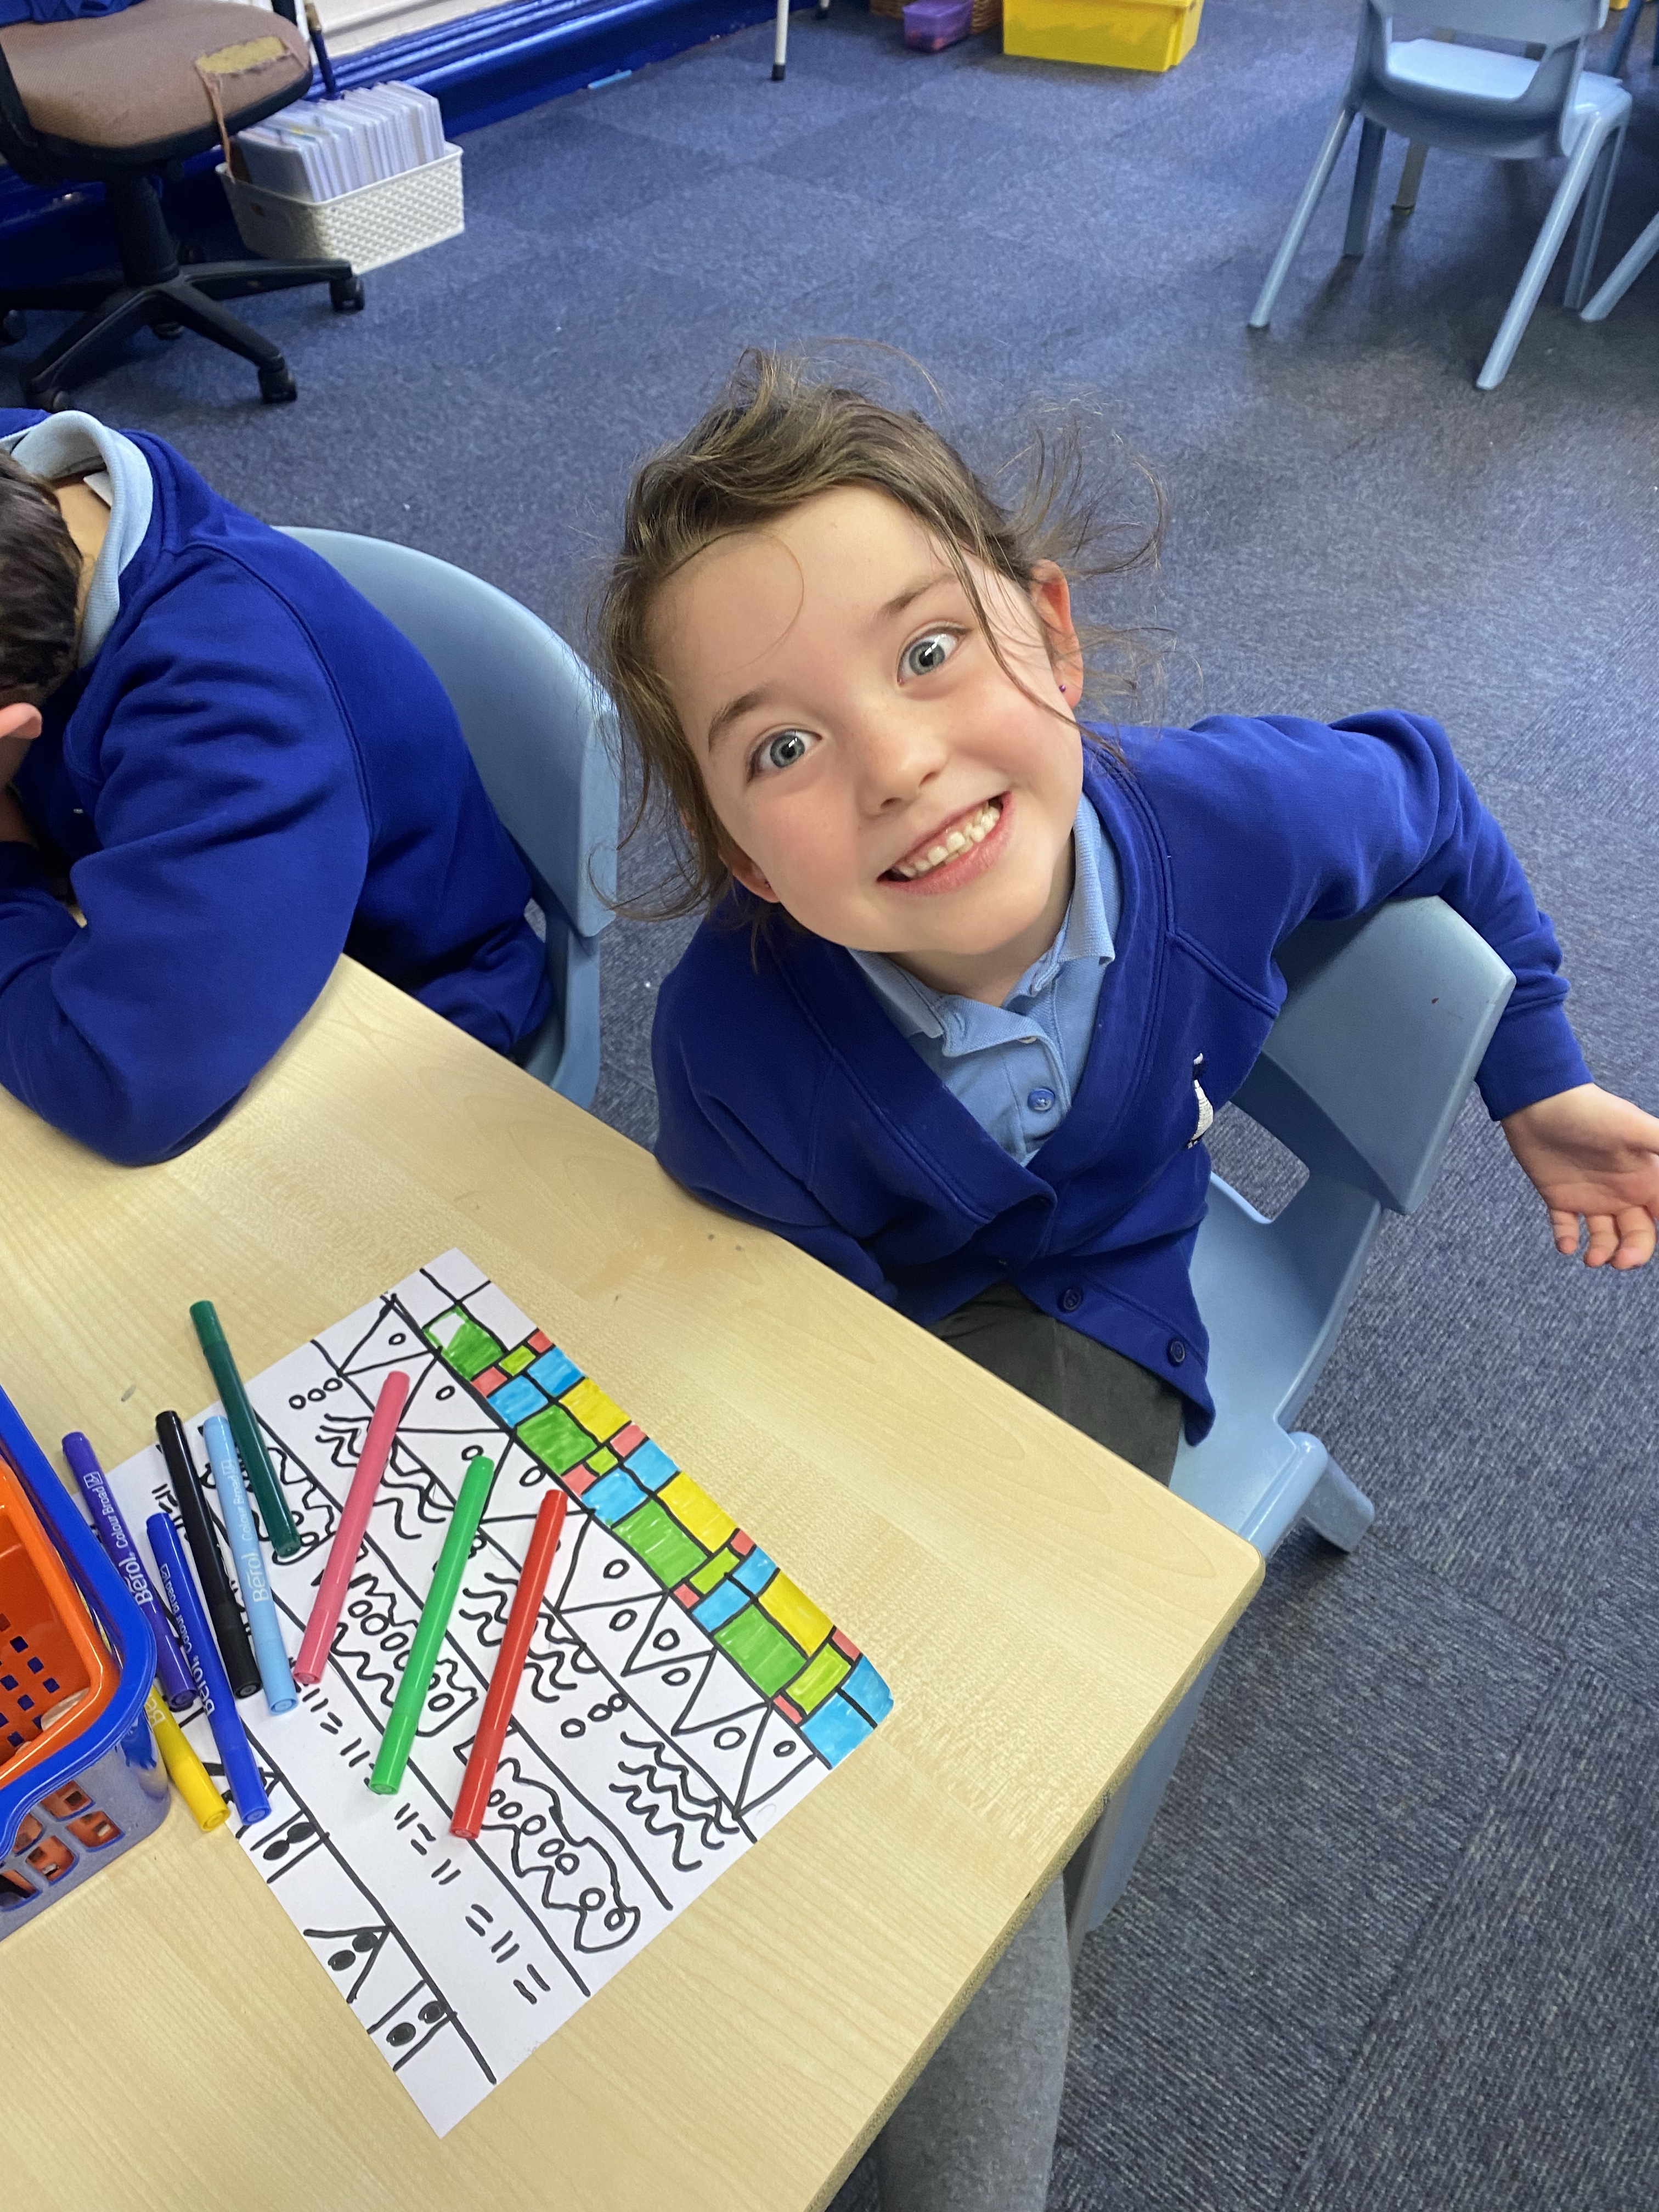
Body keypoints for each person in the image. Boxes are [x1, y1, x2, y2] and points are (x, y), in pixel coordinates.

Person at [592, 352, 1659, 2212]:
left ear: (1055, 636)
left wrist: (1536, 1069)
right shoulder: (732, 1047)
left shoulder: (1229, 815)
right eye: (781, 748)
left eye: (929, 651)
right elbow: (786, 1341)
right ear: (738, 857)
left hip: (1097, 1301)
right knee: (767, 1679)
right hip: (857, 1355)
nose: (895, 761)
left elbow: (1426, 791)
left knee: (978, 1772)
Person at [0, 409, 549, 1164]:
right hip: (188, 915)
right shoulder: (31, 481)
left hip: (402, 1005)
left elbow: (119, 1083)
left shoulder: (231, 715)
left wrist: (7, 878)